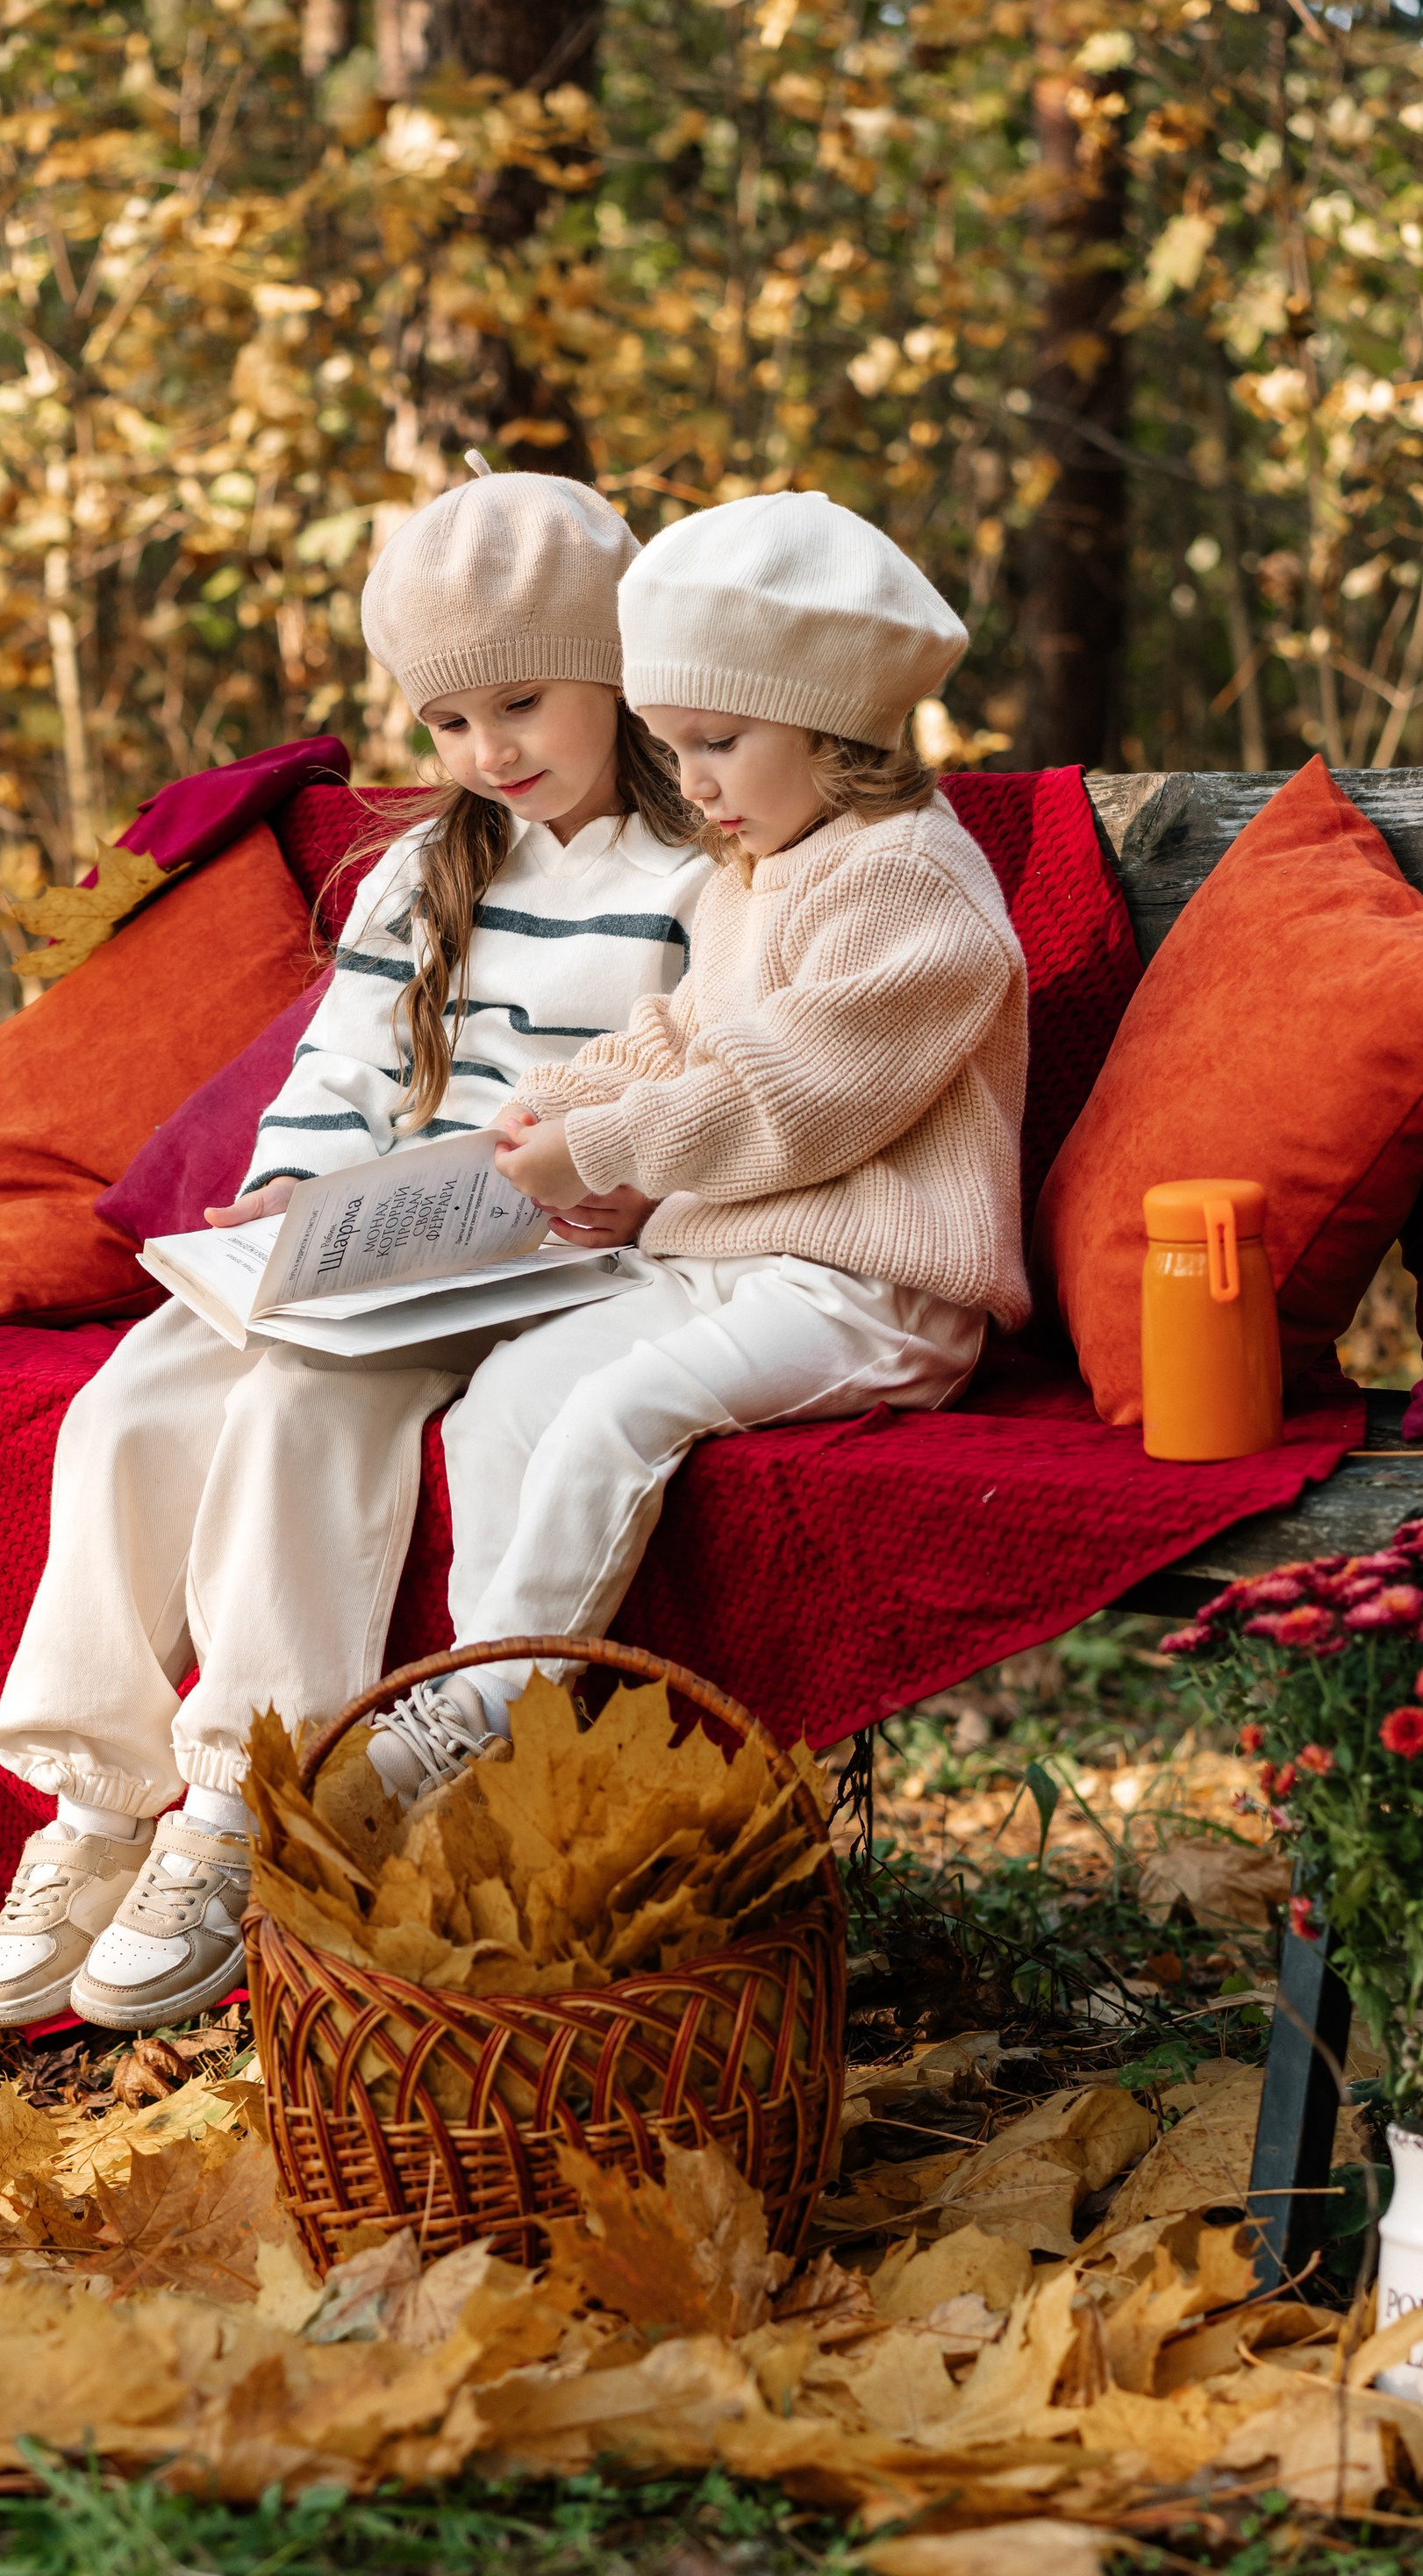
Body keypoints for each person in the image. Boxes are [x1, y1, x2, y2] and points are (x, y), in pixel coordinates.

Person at [0, 470, 709, 2033]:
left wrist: (608, 1187)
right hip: (374, 1231)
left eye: (523, 701)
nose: (490, 752)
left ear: (620, 673)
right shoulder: (423, 872)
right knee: (129, 1402)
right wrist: (290, 1195)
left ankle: (240, 1803)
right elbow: (340, 1077)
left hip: (553, 1249)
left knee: (305, 1396)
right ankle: (93, 1809)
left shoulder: (703, 869)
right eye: (447, 723)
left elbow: (705, 1084)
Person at [364, 490, 1030, 1808]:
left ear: (833, 720)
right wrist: (558, 1100)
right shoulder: (760, 864)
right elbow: (679, 1034)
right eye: (672, 748)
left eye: (717, 741)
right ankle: (492, 1704)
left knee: (622, 1411)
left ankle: (499, 1701)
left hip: (871, 1290)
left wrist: (603, 1149)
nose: (693, 783)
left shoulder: (909, 884)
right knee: (510, 1394)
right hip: (732, 1265)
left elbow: (790, 1092)